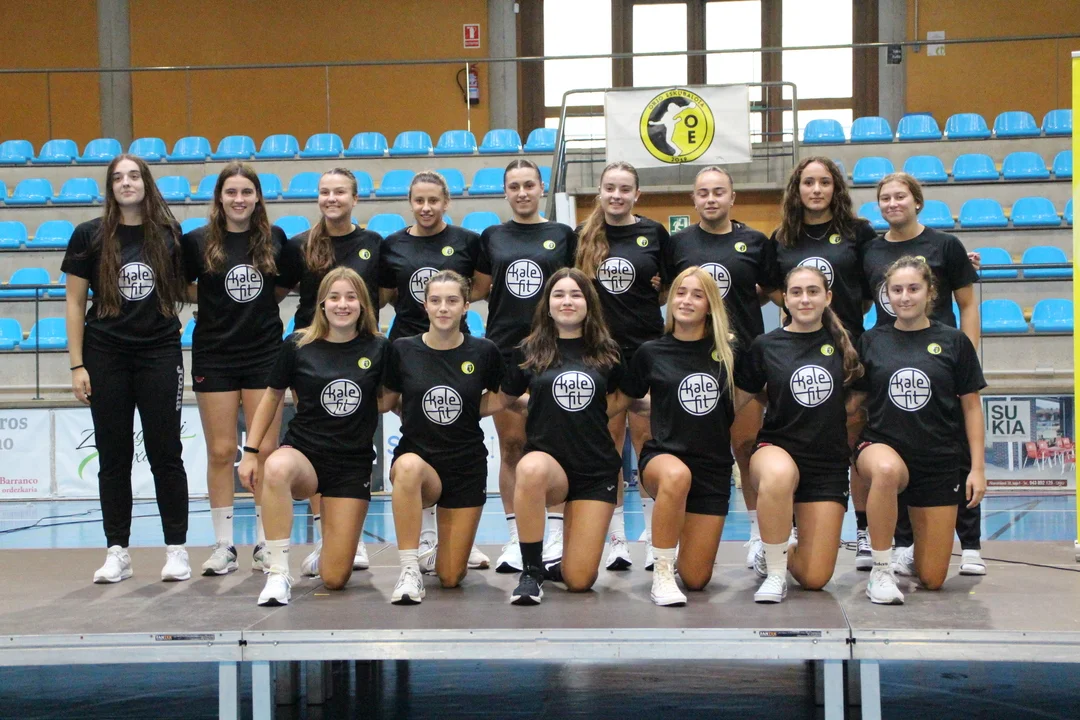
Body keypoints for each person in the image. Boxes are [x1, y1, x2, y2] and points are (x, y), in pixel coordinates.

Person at [63, 154, 191, 584]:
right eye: (118, 177)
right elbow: (74, 302)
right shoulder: (89, 235)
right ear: (110, 187)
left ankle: (176, 549)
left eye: (134, 175)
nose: (126, 182)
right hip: (106, 355)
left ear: (146, 182)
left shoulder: (169, 233)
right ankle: (117, 551)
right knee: (113, 456)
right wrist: (77, 364)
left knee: (165, 453)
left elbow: (187, 288)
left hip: (159, 353)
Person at [238, 268, 390, 606]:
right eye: (334, 297)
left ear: (363, 305)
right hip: (305, 456)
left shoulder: (379, 347)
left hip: (351, 467)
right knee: (276, 467)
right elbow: (271, 397)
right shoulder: (298, 344)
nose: (342, 304)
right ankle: (278, 572)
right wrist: (250, 451)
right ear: (322, 303)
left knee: (334, 579)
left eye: (350, 297)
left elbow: (391, 399)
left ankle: (328, 552)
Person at [864, 172, 984, 577]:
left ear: (917, 201)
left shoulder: (945, 245)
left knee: (955, 452)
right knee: (895, 447)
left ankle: (971, 543)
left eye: (901, 196)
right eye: (885, 198)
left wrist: (965, 359)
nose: (893, 203)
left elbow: (968, 304)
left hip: (939, 361)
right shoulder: (871, 251)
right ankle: (901, 545)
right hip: (891, 357)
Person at [181, 163, 298, 576]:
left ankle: (266, 543)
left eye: (246, 192)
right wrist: (213, 301)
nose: (239, 199)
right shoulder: (197, 241)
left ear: (257, 197)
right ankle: (223, 545)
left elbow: (281, 287)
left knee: (265, 449)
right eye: (231, 192)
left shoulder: (275, 238)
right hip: (214, 354)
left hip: (264, 353)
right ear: (219, 197)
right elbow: (180, 285)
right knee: (221, 450)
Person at [850, 256, 987, 605]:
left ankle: (914, 554)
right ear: (886, 295)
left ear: (930, 292)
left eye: (913, 288)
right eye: (896, 290)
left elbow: (972, 407)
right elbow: (854, 403)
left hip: (938, 459)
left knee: (933, 579)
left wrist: (977, 468)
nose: (905, 296)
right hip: (881, 446)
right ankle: (881, 569)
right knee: (885, 469)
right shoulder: (870, 341)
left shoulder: (954, 342)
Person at [768, 157, 876, 570]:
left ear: (836, 188)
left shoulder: (858, 233)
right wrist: (802, 312)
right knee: (801, 439)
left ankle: (864, 532)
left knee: (853, 440)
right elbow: (770, 287)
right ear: (796, 189)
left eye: (824, 182)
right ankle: (792, 530)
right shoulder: (783, 237)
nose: (816, 190)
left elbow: (874, 285)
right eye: (808, 182)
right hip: (798, 353)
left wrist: (837, 321)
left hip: (848, 351)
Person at [663, 166, 773, 571]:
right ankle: (673, 539)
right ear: (693, 199)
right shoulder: (677, 244)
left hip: (741, 363)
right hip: (690, 364)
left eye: (719, 192)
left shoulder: (755, 242)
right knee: (692, 454)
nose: (711, 199)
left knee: (746, 448)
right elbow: (666, 291)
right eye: (703, 193)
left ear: (732, 198)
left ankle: (759, 537)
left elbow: (769, 291)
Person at [378, 170, 489, 571]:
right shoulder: (393, 244)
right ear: (410, 202)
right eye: (419, 200)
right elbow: (384, 294)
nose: (426, 208)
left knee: (453, 427)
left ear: (446, 202)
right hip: (409, 349)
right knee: (418, 434)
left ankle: (458, 535)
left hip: (454, 347)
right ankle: (425, 534)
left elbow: (480, 287)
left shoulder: (468, 241)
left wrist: (447, 316)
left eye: (433, 200)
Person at [471, 159, 577, 573]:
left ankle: (553, 536)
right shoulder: (492, 236)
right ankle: (517, 537)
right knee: (513, 446)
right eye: (514, 186)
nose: (522, 193)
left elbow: (577, 288)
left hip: (555, 350)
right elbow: (480, 289)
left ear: (541, 188)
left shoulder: (562, 234)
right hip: (505, 350)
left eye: (529, 185)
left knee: (556, 446)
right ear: (505, 192)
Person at [735, 266, 864, 603]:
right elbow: (740, 395)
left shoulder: (846, 344)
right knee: (778, 475)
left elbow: (859, 397)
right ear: (785, 300)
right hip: (776, 450)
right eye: (796, 292)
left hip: (826, 466)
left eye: (812, 291)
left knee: (814, 577)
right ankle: (775, 573)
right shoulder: (766, 345)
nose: (804, 299)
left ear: (828, 297)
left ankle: (779, 552)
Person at [502, 268, 630, 605]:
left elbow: (626, 397)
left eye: (576, 294)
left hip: (595, 470)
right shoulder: (529, 350)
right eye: (559, 294)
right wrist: (537, 405)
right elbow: (505, 398)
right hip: (550, 466)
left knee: (580, 581)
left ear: (589, 303)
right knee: (530, 468)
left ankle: (560, 564)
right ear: (548, 304)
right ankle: (531, 572)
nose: (567, 301)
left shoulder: (609, 351)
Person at [277, 168, 382, 576]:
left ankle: (348, 537)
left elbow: (385, 294)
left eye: (340, 191)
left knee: (353, 435)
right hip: (312, 357)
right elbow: (279, 292)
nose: (331, 198)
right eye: (324, 192)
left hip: (358, 352)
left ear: (355, 198)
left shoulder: (373, 243)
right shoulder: (300, 244)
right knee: (315, 439)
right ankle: (326, 538)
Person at [381, 271, 507, 604]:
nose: (443, 308)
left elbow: (502, 396)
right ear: (424, 306)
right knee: (407, 467)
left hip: (466, 467)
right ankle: (409, 569)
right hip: (421, 464)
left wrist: (470, 408)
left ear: (465, 306)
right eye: (435, 300)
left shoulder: (484, 351)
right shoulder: (403, 349)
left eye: (452, 301)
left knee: (450, 578)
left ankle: (444, 551)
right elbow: (388, 400)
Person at [620, 267, 741, 606]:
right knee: (676, 475)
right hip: (664, 459)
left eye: (697, 295)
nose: (686, 300)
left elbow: (748, 395)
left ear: (710, 306)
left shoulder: (730, 353)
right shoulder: (650, 352)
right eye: (681, 293)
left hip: (713, 470)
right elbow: (624, 399)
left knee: (697, 579)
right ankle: (661, 572)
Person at [576, 161, 669, 571]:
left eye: (625, 189)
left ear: (637, 194)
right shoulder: (582, 235)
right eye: (610, 187)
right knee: (609, 445)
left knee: (649, 441)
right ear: (600, 191)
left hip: (646, 350)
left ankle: (653, 535)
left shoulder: (654, 233)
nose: (617, 195)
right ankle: (616, 539)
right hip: (600, 353)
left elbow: (667, 287)